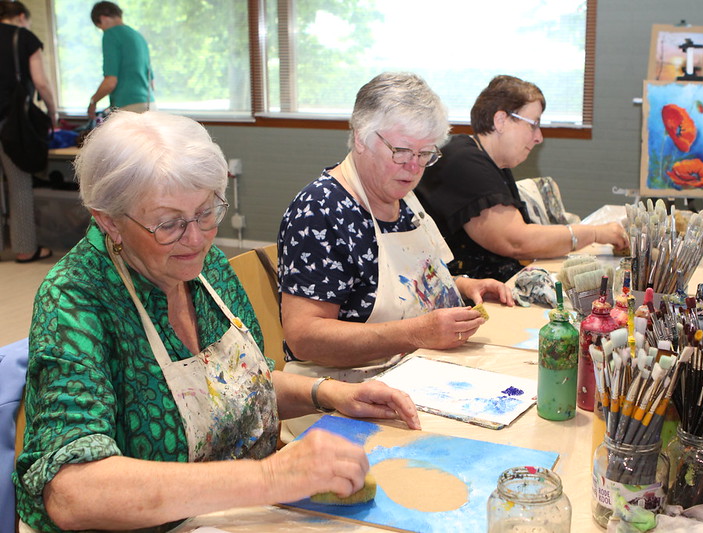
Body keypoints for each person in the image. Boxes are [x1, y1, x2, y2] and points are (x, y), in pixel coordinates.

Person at [13, 111, 420, 532]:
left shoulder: (205, 268)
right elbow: (72, 491)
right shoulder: (76, 298)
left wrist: (330, 394)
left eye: (207, 212)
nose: (196, 238)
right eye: (168, 224)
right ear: (108, 222)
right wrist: (270, 478)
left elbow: (237, 385)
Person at [278, 72, 514, 383]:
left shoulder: (404, 197)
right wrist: (416, 334)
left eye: (425, 154)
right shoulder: (321, 210)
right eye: (401, 152)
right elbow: (304, 337)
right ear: (362, 136)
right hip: (345, 393)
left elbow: (407, 284)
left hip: (415, 370)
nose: (414, 168)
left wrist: (460, 286)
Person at [416, 75, 629, 282]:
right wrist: (594, 233)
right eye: (533, 124)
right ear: (501, 120)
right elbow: (517, 242)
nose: (539, 137)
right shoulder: (464, 161)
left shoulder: (493, 162)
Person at [0, 1, 56, 262]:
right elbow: (41, 83)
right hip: (11, 124)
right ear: (21, 16)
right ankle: (25, 249)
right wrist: (52, 111)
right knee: (19, 183)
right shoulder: (24, 38)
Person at [87, 2, 154, 117]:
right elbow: (151, 83)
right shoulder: (138, 36)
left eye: (100, 27)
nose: (102, 30)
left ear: (103, 19)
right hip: (150, 105)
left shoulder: (111, 35)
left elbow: (110, 82)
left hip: (129, 110)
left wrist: (93, 102)